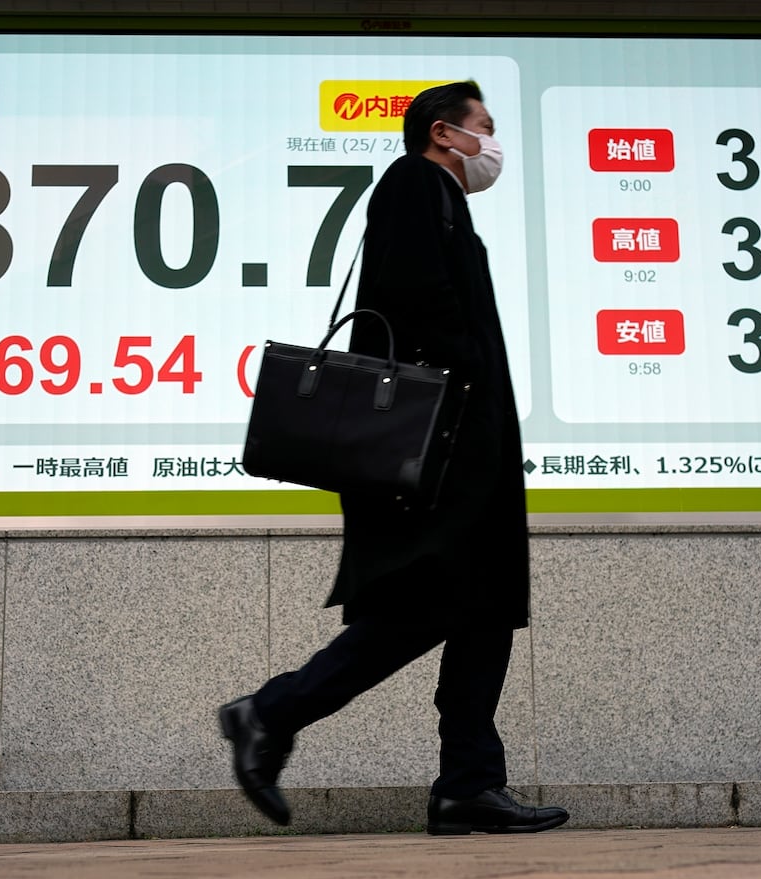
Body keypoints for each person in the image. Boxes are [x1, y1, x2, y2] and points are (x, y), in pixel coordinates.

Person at [219, 82, 567, 836]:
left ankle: (468, 783)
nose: (493, 144)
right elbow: (419, 301)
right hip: (439, 451)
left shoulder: (445, 197)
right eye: (485, 128)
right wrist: (470, 382)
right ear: (446, 133)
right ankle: (269, 711)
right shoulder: (414, 181)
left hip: (462, 446)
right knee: (430, 606)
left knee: (487, 605)